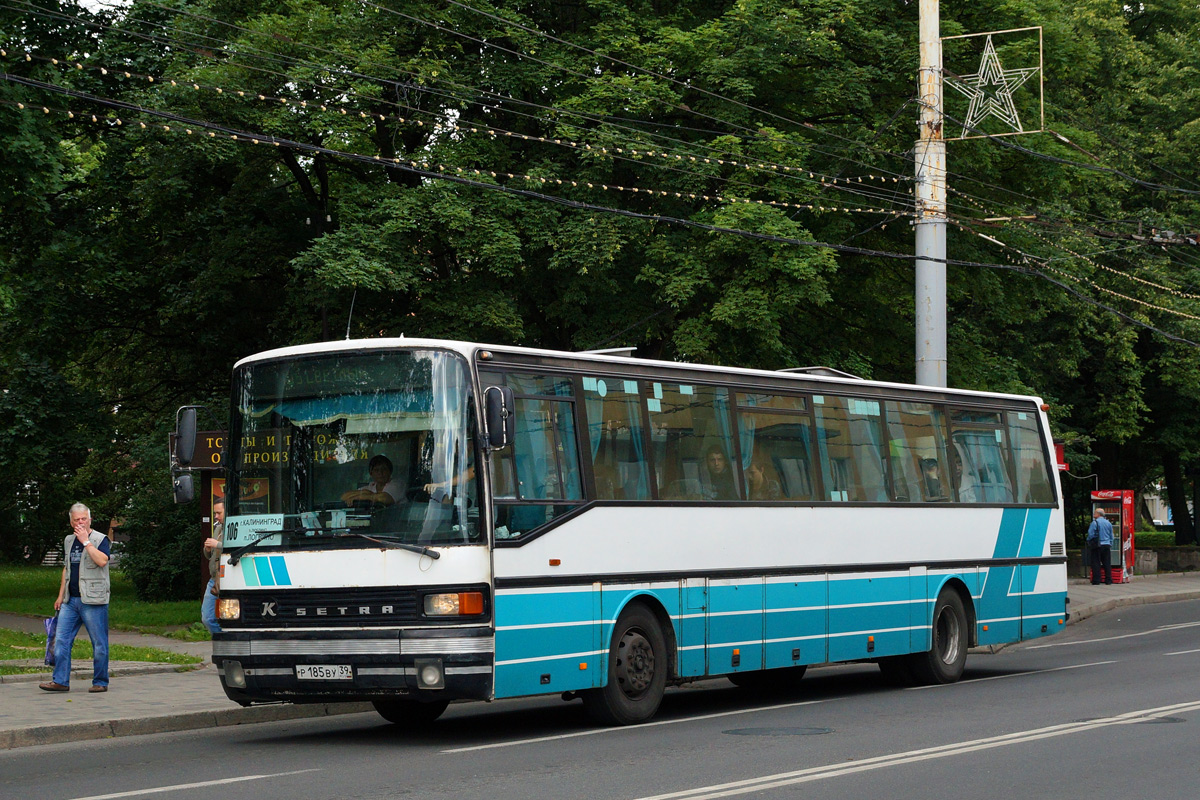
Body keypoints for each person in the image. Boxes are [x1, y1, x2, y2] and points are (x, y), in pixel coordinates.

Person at [40, 503, 110, 693]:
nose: (80, 522)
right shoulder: (69, 540)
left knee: (99, 643)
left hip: (93, 600)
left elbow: (102, 561)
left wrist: (86, 542)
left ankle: (100, 682)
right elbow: (67, 568)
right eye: (77, 520)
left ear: (90, 520)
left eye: (84, 519)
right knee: (61, 640)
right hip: (71, 601)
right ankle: (61, 681)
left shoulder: (100, 539)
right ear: (71, 522)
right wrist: (60, 595)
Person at [201, 499, 224, 634]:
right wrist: (208, 550)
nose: (216, 516)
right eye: (215, 513)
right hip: (214, 579)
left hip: (228, 578)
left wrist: (217, 545)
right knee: (207, 618)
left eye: (218, 513)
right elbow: (209, 555)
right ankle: (222, 639)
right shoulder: (218, 528)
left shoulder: (235, 528)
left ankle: (228, 642)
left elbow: (238, 549)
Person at [1086, 507, 1115, 585]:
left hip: (1097, 545)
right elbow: (1111, 535)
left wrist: (1088, 541)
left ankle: (1096, 580)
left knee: (1096, 562)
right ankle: (1108, 580)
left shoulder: (1095, 523)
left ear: (1098, 514)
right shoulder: (1108, 523)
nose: (1094, 514)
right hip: (1107, 545)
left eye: (1095, 513)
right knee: (1107, 563)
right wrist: (1110, 543)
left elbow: (1091, 534)